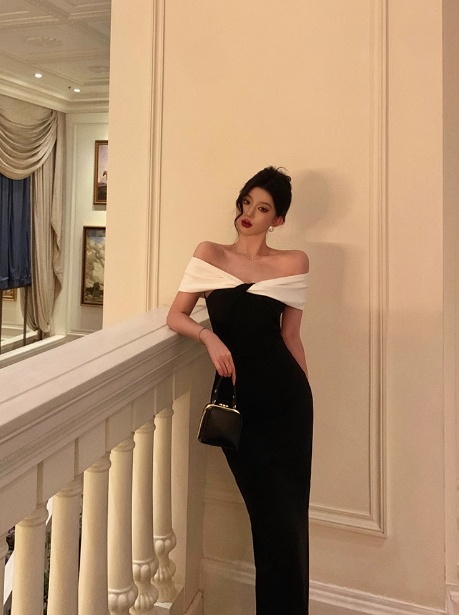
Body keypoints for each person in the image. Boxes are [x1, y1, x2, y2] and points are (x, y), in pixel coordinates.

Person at [167, 166, 313, 615]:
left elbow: (291, 336)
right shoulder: (209, 255)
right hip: (240, 404)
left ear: (278, 220)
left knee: (289, 526)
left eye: (263, 208)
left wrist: (307, 396)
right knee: (269, 522)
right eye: (247, 202)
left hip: (287, 406)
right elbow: (176, 315)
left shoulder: (294, 262)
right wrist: (208, 337)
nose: (249, 213)